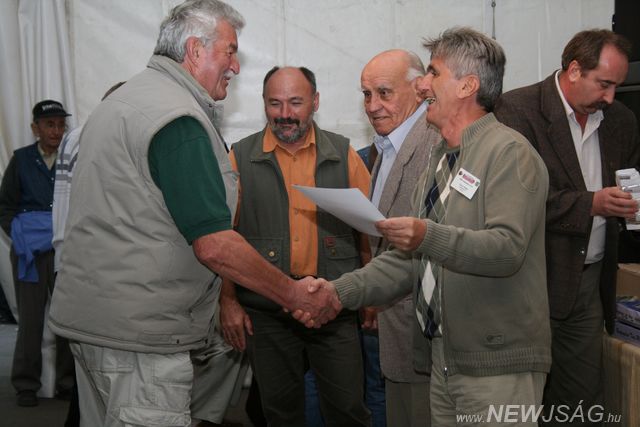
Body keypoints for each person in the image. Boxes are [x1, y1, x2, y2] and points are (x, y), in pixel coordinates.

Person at [47, 1, 341, 426]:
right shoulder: (177, 120)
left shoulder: (125, 99)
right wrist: (293, 295)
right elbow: (215, 245)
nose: (235, 66)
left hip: (96, 324)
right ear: (195, 50)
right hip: (141, 339)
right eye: (230, 52)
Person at [298, 27, 552, 426]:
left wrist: (426, 235)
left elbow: (507, 249)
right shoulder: (442, 158)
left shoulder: (509, 153)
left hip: (497, 367)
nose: (422, 85)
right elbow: (408, 258)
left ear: (467, 85)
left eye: (433, 73)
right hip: (444, 359)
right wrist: (337, 292)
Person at [494, 29, 640, 424]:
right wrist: (592, 203)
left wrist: (630, 205)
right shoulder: (516, 111)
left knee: (581, 401)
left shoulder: (620, 120)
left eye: (617, 86)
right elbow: (515, 199)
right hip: (530, 283)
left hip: (589, 282)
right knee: (520, 400)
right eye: (604, 84)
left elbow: (629, 182)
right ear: (574, 70)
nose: (610, 96)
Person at [219, 65, 372, 427]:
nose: (285, 113)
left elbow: (367, 233)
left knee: (348, 412)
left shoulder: (344, 154)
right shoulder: (239, 157)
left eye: (295, 102)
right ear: (263, 104)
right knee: (279, 414)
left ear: (315, 102)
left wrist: (370, 294)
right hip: (268, 315)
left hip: (334, 309)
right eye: (275, 103)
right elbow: (225, 236)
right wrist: (228, 300)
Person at [359, 49, 439, 427]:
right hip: (394, 320)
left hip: (420, 328)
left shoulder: (433, 141)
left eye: (384, 93)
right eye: (366, 94)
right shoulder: (388, 143)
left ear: (420, 89)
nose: (372, 105)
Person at [0, 99, 75, 407]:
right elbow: (5, 206)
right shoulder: (21, 159)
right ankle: (26, 385)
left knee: (67, 318)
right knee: (30, 321)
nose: (56, 131)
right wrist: (21, 234)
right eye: (49, 124)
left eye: (60, 125)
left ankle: (68, 383)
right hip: (29, 253)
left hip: (64, 251)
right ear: (35, 128)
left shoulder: (72, 157)